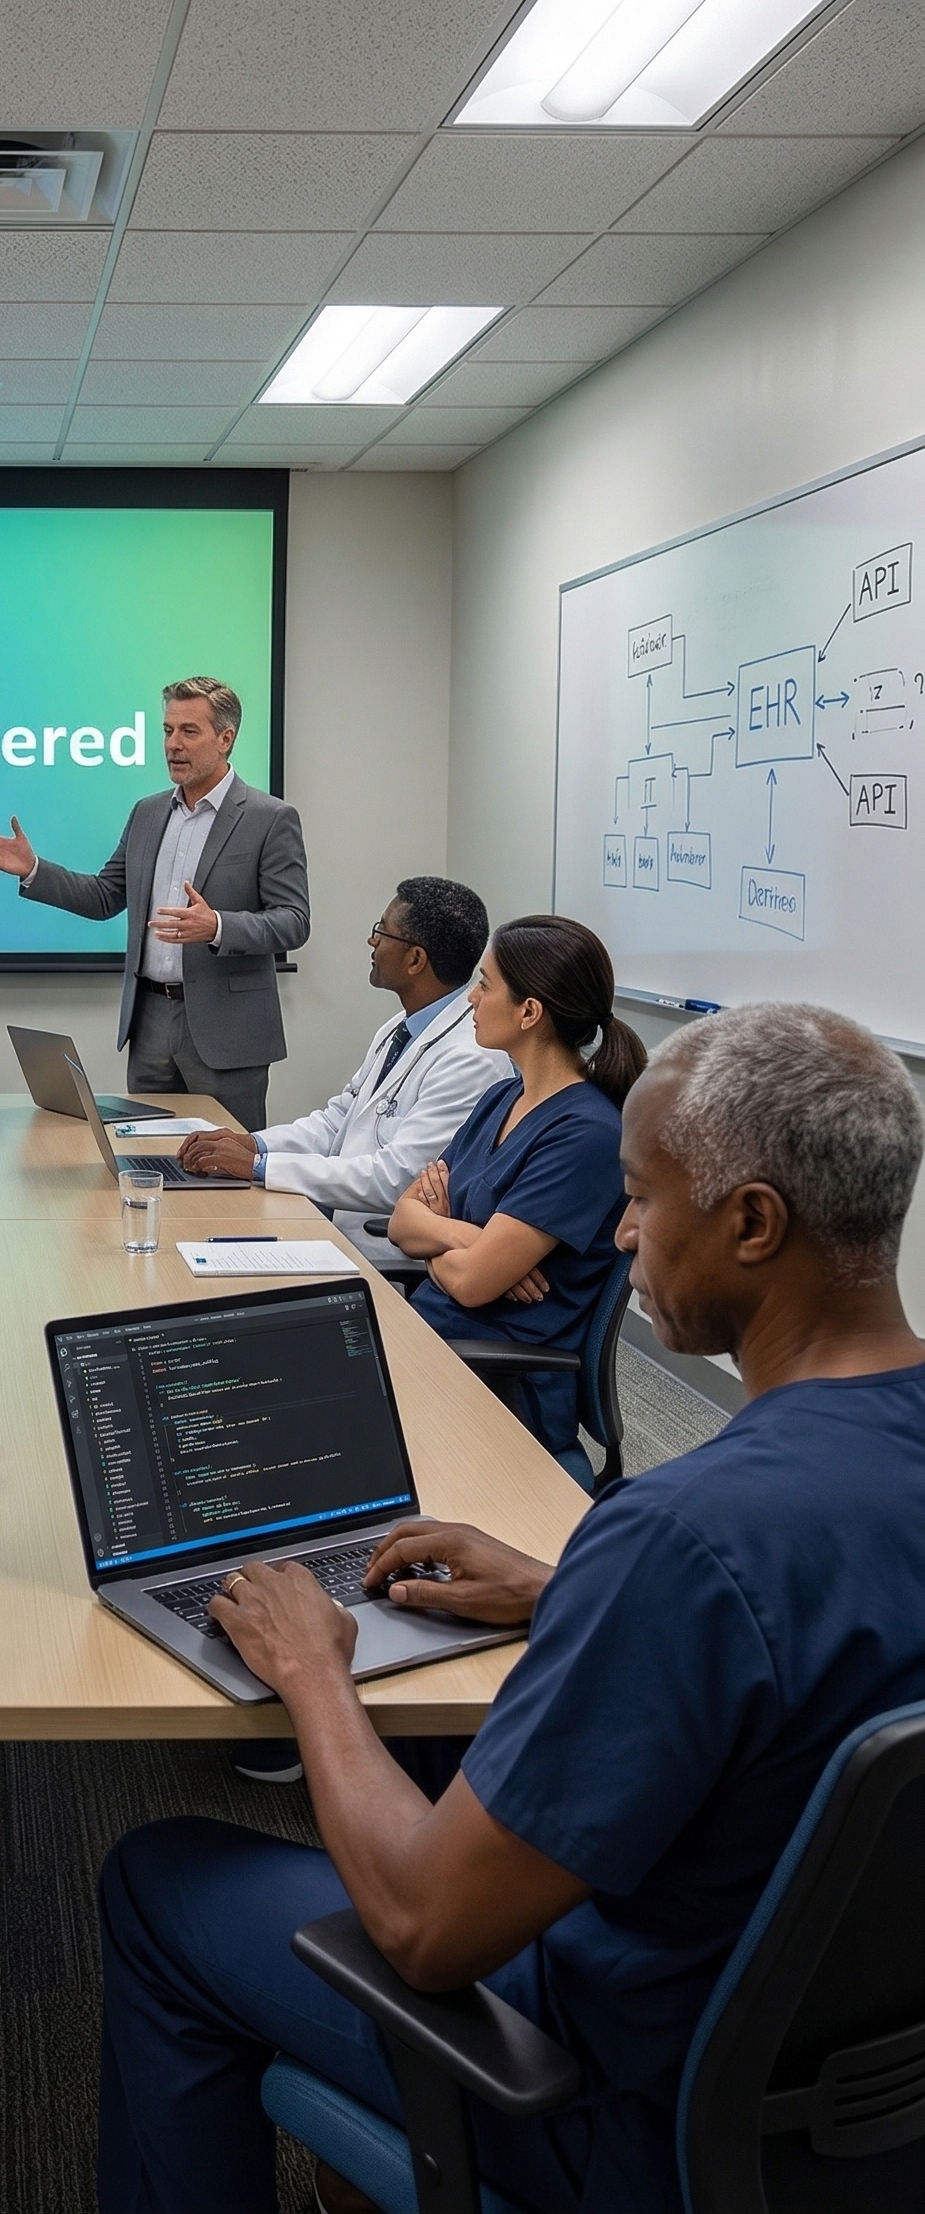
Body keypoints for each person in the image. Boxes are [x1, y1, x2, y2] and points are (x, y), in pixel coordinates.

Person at [97, 1001, 925, 2214]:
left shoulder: (686, 1537)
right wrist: (565, 1584)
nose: (622, 1233)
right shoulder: (704, 1543)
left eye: (642, 1197)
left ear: (752, 1221)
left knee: (156, 1880)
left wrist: (315, 1669)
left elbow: (426, 1927)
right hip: (847, 2112)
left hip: (618, 2110)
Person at [0, 676, 308, 1133]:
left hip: (226, 1033)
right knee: (145, 1158)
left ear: (226, 738)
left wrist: (219, 926)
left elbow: (293, 921)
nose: (173, 744)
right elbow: (106, 896)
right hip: (149, 1023)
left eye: (189, 731)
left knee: (226, 1170)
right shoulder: (147, 813)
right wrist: (34, 870)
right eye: (167, 731)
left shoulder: (269, 818)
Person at [388, 914, 646, 1473]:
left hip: (494, 1382)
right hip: (435, 1341)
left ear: (530, 1012)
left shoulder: (587, 1134)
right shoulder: (502, 1097)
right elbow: (400, 1223)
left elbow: (475, 1283)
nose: (470, 1000)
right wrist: (463, 1238)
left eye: (484, 985)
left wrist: (443, 1243)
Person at [178, 877, 511, 1205]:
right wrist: (253, 1144)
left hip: (390, 1253)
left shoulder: (471, 1058)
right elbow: (336, 1122)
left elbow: (398, 1178)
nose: (371, 941)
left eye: (381, 931)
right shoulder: (400, 1029)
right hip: (344, 1230)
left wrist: (257, 1168)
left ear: (415, 960)